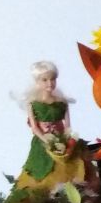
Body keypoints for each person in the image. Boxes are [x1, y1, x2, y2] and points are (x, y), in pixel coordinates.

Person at [11, 61, 91, 194]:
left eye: (53, 79)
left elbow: (67, 126)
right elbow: (35, 128)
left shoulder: (62, 102)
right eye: (45, 80)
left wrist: (66, 141)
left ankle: (72, 194)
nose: (50, 83)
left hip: (63, 142)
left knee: (73, 167)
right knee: (43, 172)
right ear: (37, 81)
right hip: (43, 143)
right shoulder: (33, 104)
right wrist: (47, 141)